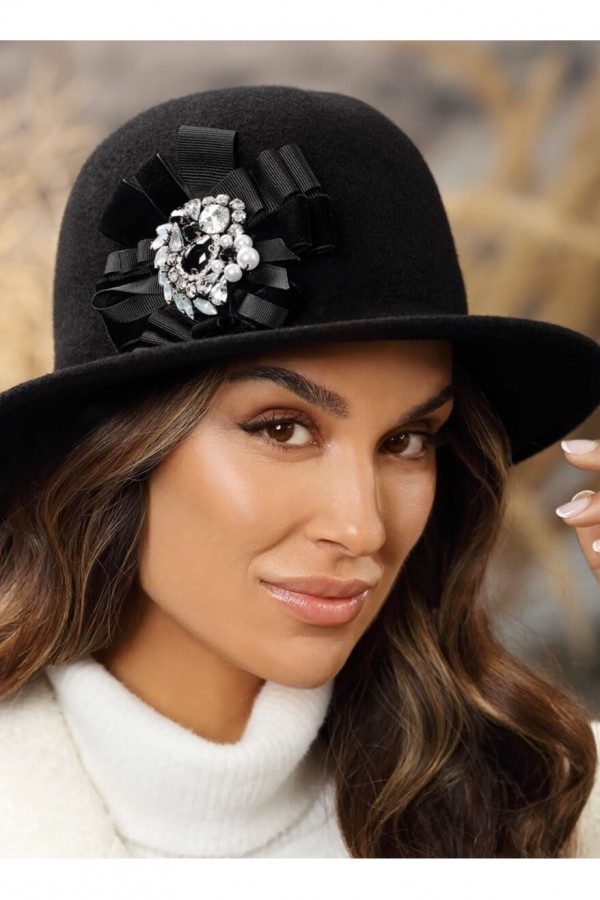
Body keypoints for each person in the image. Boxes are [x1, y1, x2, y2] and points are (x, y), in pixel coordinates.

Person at [0, 84, 599, 859]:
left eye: (408, 440)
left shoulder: (549, 801)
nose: (362, 527)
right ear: (114, 453)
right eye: (282, 429)